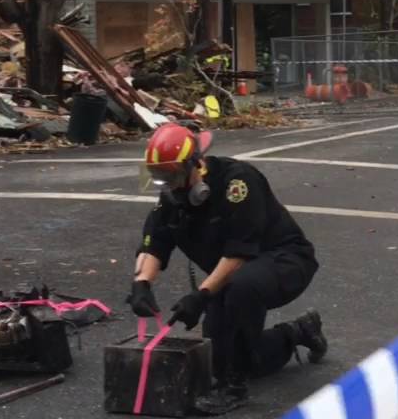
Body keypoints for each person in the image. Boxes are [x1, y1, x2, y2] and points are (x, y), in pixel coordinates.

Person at [127, 123, 327, 415]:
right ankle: (297, 332)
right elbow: (155, 243)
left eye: (172, 176)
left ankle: (233, 388)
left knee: (241, 289)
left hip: (284, 260)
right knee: (227, 357)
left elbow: (239, 254)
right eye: (160, 177)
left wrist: (202, 295)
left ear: (196, 165)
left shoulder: (237, 182)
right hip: (232, 276)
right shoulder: (173, 195)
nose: (167, 184)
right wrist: (141, 283)